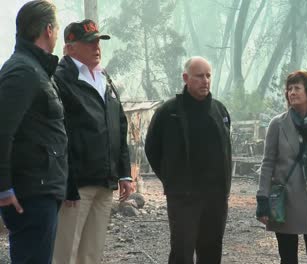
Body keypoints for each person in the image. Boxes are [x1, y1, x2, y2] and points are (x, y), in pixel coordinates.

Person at [52, 19, 133, 264]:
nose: (96, 47)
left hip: (105, 180)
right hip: (76, 184)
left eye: (98, 41)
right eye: (89, 42)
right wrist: (66, 180)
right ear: (70, 47)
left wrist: (124, 173)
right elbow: (58, 134)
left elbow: (119, 125)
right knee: (66, 251)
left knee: (92, 253)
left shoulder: (104, 78)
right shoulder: (60, 79)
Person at [145, 56, 232, 264]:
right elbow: (152, 149)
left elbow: (226, 148)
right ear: (186, 78)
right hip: (183, 197)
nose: (205, 81)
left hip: (216, 197)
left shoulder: (219, 111)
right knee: (182, 253)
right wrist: (171, 178)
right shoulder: (169, 112)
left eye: (208, 76)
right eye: (199, 76)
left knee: (211, 251)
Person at [0, 1, 67, 263]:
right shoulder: (23, 71)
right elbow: (3, 130)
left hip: (42, 189)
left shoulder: (37, 69)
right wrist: (4, 187)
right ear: (49, 30)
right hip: (31, 192)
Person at [256, 70, 307, 264]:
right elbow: (267, 162)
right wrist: (262, 198)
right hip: (286, 201)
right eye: (289, 89)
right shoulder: (277, 124)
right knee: (288, 258)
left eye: (297, 88)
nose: (292, 92)